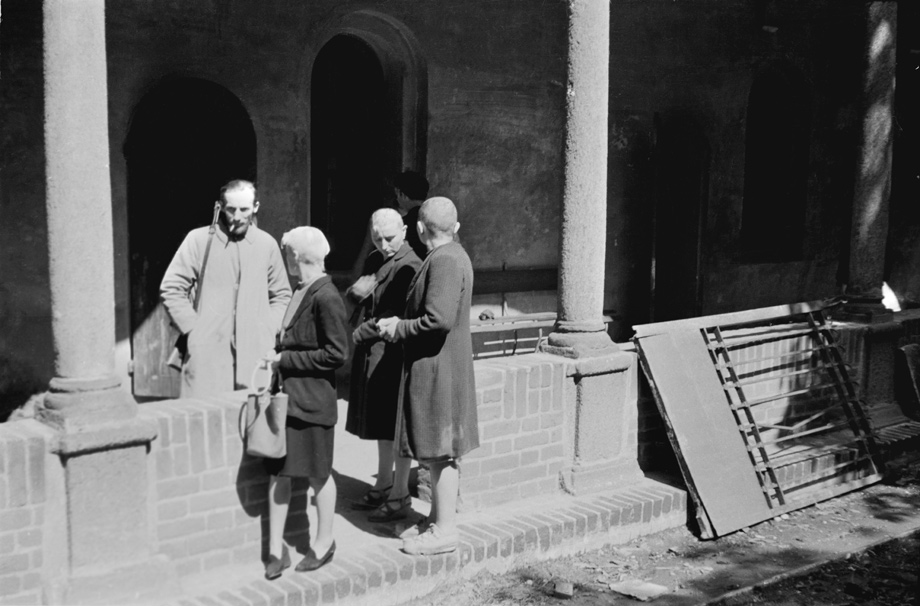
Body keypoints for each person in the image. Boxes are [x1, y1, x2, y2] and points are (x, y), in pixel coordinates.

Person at [378, 196, 479, 556]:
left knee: (442, 452)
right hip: (440, 367)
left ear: (419, 229)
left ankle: (446, 531)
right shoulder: (449, 255)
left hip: (440, 369)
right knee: (437, 451)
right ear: (456, 227)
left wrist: (398, 328)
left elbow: (438, 320)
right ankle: (435, 520)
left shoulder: (446, 260)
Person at [262, 226, 348, 580]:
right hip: (288, 400)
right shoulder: (301, 290)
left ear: (296, 257)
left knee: (318, 474)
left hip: (313, 403)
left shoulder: (326, 296)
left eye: (288, 255)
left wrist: (285, 360)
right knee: (278, 473)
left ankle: (324, 542)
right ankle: (275, 549)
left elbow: (337, 354)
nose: (286, 261)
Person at [160, 180, 291, 397]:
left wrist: (267, 329)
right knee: (204, 414)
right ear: (220, 207)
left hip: (255, 356)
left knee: (251, 415)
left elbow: (282, 295)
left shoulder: (267, 244)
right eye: (231, 209)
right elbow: (172, 287)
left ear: (255, 207)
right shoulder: (198, 240)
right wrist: (194, 328)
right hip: (207, 355)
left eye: (244, 209)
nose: (237, 216)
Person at [345, 209, 423, 521]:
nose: (384, 244)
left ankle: (398, 493)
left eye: (389, 237)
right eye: (377, 239)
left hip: (393, 353)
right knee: (381, 425)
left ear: (404, 230)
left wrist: (362, 332)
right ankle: (384, 484)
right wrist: (355, 295)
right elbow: (367, 297)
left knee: (395, 425)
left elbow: (398, 313)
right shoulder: (376, 259)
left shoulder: (410, 264)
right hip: (375, 351)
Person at [393, 170, 430, 260]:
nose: (396, 199)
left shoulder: (410, 220)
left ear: (402, 194)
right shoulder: (433, 214)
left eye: (396, 195)